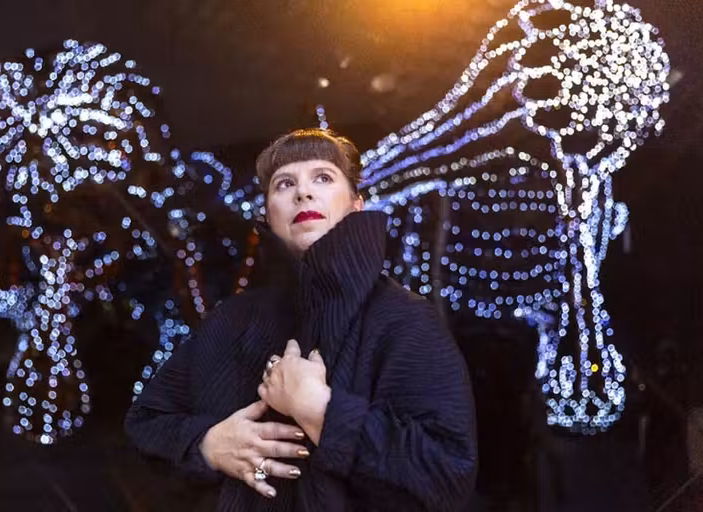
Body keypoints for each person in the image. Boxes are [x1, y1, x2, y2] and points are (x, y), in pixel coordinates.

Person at [125, 128, 477, 511]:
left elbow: (447, 476)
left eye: (323, 177)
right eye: (284, 183)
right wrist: (207, 445)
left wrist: (320, 411)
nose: (303, 192)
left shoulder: (405, 320)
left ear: (356, 205)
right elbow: (144, 424)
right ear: (266, 213)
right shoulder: (229, 321)